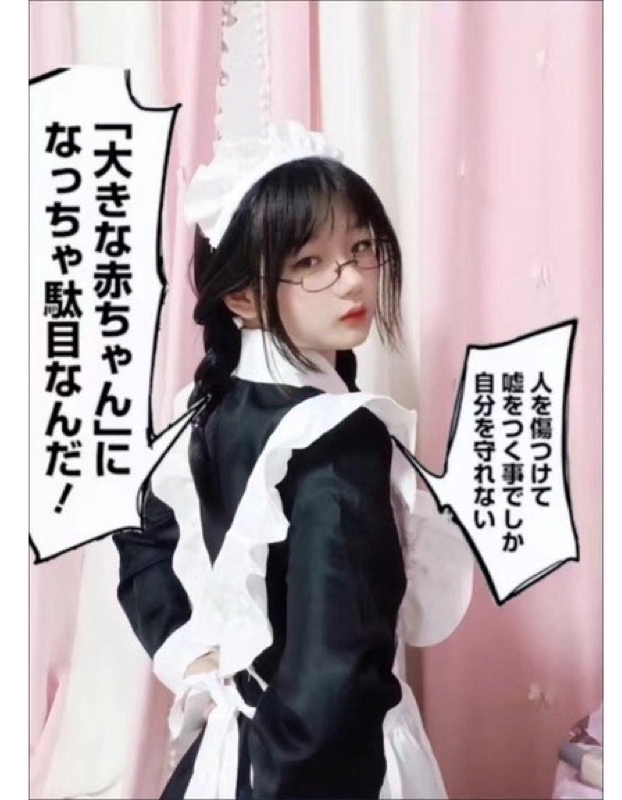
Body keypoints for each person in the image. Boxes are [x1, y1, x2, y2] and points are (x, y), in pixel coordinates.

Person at [113, 121, 473, 799]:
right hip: (320, 773)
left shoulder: (207, 405)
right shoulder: (337, 440)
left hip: (234, 757)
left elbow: (141, 537)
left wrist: (195, 658)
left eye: (360, 247)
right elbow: (332, 686)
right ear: (242, 297)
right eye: (310, 261)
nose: (351, 280)